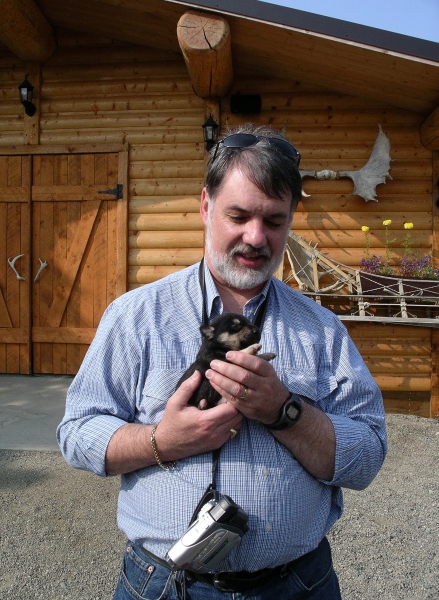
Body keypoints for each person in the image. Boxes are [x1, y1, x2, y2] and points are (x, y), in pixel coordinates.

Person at [57, 124, 387, 599]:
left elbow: (369, 456)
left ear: (291, 221)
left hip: (297, 585)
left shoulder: (322, 330)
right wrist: (160, 440)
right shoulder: (135, 316)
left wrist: (284, 411)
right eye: (239, 215)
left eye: (274, 221)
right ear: (206, 207)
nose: (256, 237)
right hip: (163, 586)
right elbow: (76, 432)